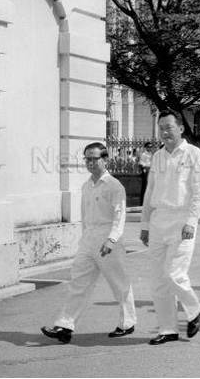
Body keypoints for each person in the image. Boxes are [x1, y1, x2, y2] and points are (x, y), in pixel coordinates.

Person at [41, 142, 136, 344]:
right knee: (79, 284)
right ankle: (65, 325)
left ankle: (127, 322)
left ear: (105, 159)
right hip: (89, 240)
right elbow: (85, 216)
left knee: (119, 284)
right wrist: (84, 239)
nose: (91, 163)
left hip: (109, 239)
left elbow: (120, 216)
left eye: (95, 158)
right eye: (87, 159)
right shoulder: (86, 186)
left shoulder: (114, 186)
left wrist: (112, 239)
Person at [140, 110, 200, 345]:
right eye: (161, 128)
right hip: (159, 221)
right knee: (158, 281)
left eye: (169, 127)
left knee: (174, 274)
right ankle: (168, 329)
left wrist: (191, 221)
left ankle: (194, 308)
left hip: (182, 221)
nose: (165, 132)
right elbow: (150, 192)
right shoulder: (158, 156)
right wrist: (145, 224)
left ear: (181, 128)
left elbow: (199, 193)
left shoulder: (194, 155)